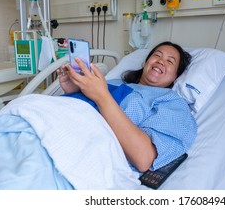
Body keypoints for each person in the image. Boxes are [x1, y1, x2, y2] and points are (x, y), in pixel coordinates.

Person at [57, 41, 197, 173]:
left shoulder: (173, 103)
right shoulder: (114, 82)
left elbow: (144, 158)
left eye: (170, 61)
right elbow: (88, 107)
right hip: (56, 120)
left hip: (75, 145)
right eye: (157, 55)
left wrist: (101, 96)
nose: (161, 61)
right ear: (146, 62)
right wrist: (74, 91)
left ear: (176, 76)